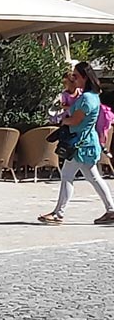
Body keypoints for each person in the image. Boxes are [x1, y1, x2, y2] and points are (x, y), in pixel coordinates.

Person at [38, 62, 114, 226]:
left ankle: (58, 213)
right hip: (84, 143)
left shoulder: (87, 98)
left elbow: (76, 120)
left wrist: (62, 119)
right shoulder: (91, 96)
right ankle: (111, 210)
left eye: (76, 76)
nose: (74, 79)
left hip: (80, 144)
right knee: (92, 177)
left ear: (85, 78)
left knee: (68, 176)